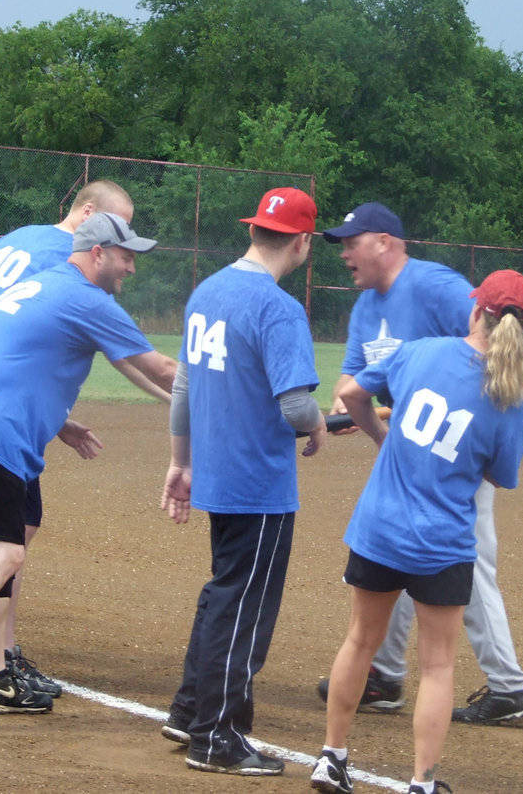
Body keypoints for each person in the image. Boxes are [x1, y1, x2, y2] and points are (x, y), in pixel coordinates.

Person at [0, 211, 177, 730]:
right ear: (97, 253)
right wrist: (232, 397)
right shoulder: (86, 299)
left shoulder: (45, 283)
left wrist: (59, 422)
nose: (132, 269)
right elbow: (160, 368)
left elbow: (13, 361)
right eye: (126, 257)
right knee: (5, 553)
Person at [310, 269, 523, 794]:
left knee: (360, 641)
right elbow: (500, 476)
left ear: (475, 309)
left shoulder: (423, 352)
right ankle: (422, 783)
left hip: (381, 526)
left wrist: (383, 437)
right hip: (443, 541)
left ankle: (332, 758)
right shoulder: (515, 398)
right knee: (436, 666)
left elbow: (349, 394)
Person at [160, 188, 327, 777]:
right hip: (258, 480)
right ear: (303, 241)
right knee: (244, 607)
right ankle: (217, 737)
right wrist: (319, 427)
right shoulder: (279, 308)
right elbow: (295, 406)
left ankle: (189, 711)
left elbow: (183, 387)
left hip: (216, 468)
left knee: (224, 591)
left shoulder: (208, 290)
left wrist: (180, 461)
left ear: (255, 229)